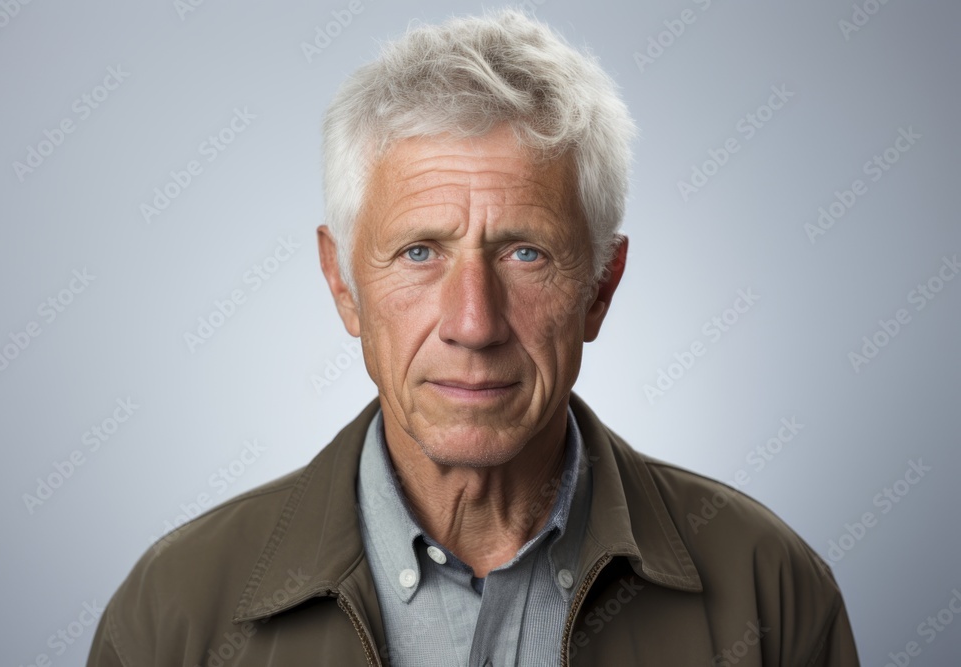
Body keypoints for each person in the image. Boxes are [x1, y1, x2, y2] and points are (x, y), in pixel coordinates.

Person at [87, 9, 859, 666]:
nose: (473, 322)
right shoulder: (177, 613)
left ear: (601, 286)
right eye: (420, 251)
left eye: (526, 252)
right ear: (342, 284)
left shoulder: (771, 591)